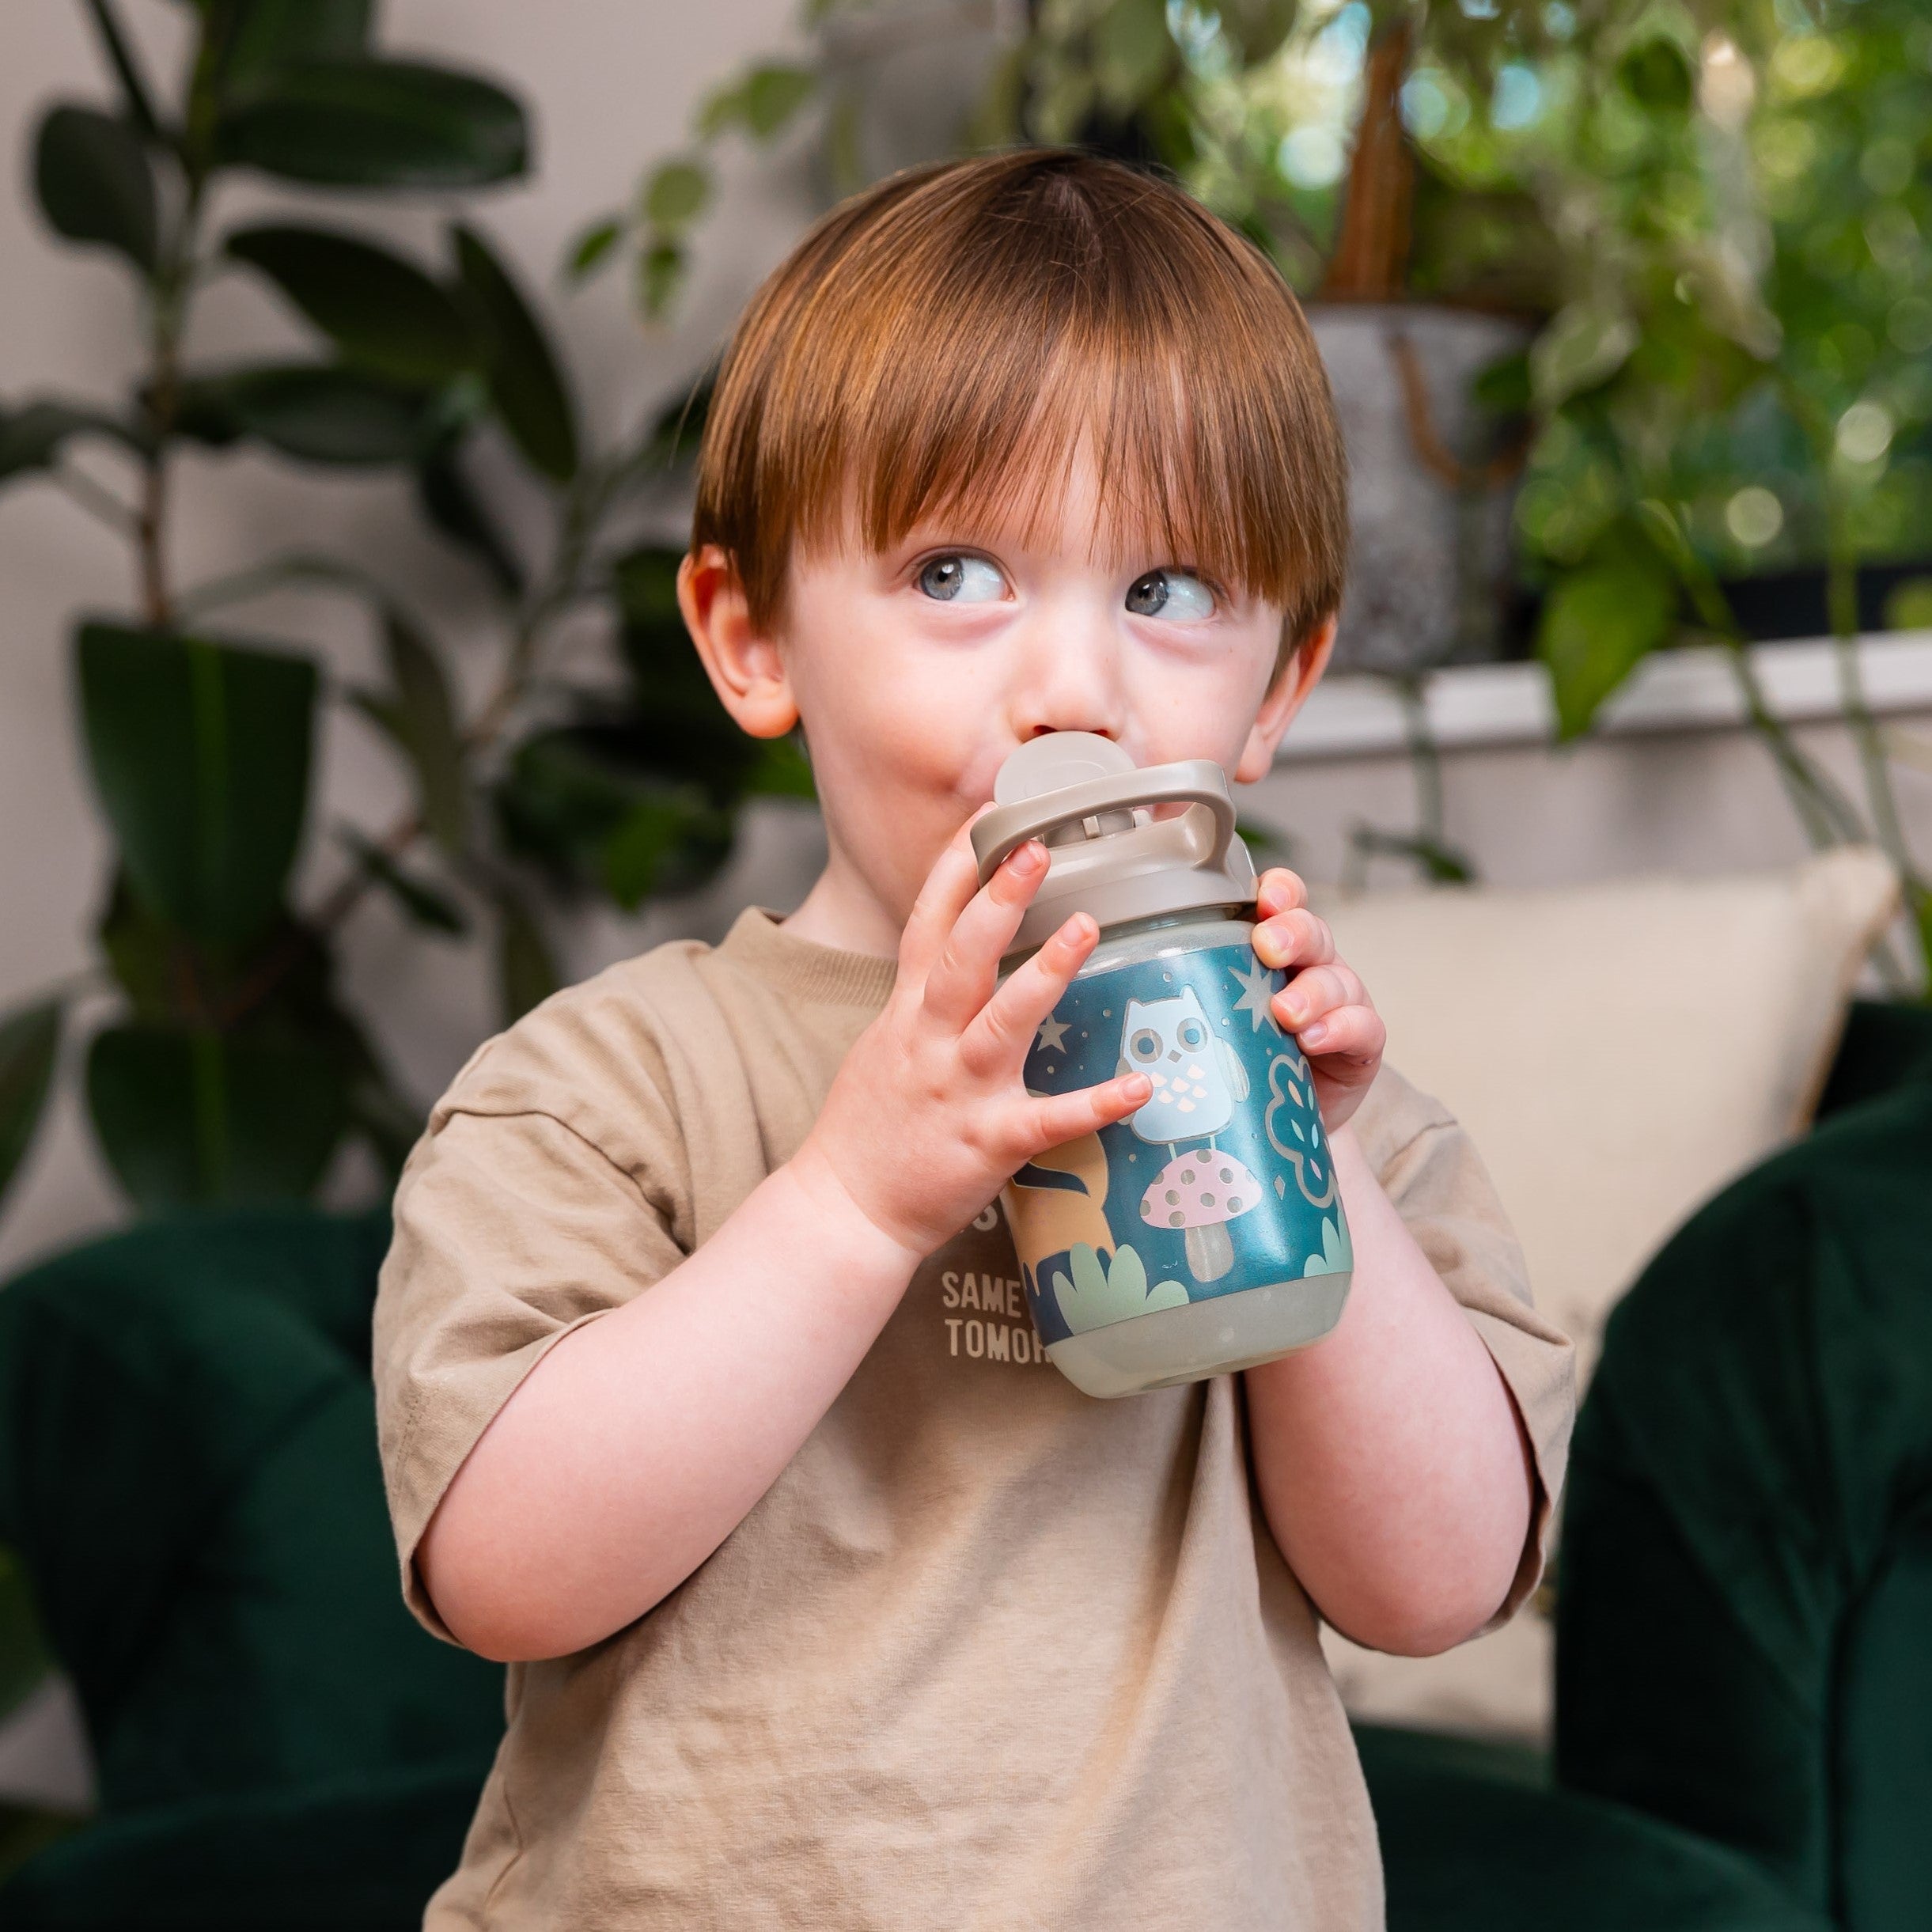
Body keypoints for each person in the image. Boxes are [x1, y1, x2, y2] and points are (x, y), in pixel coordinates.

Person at [373, 148, 1574, 1929]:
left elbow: (1436, 1582)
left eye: (1166, 592)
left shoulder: (1338, 1114)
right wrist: (855, 1203)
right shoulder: (610, 1087)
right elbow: (502, 1569)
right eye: (958, 570)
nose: (1073, 688)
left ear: (1277, 691)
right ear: (752, 635)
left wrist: (1311, 1179)